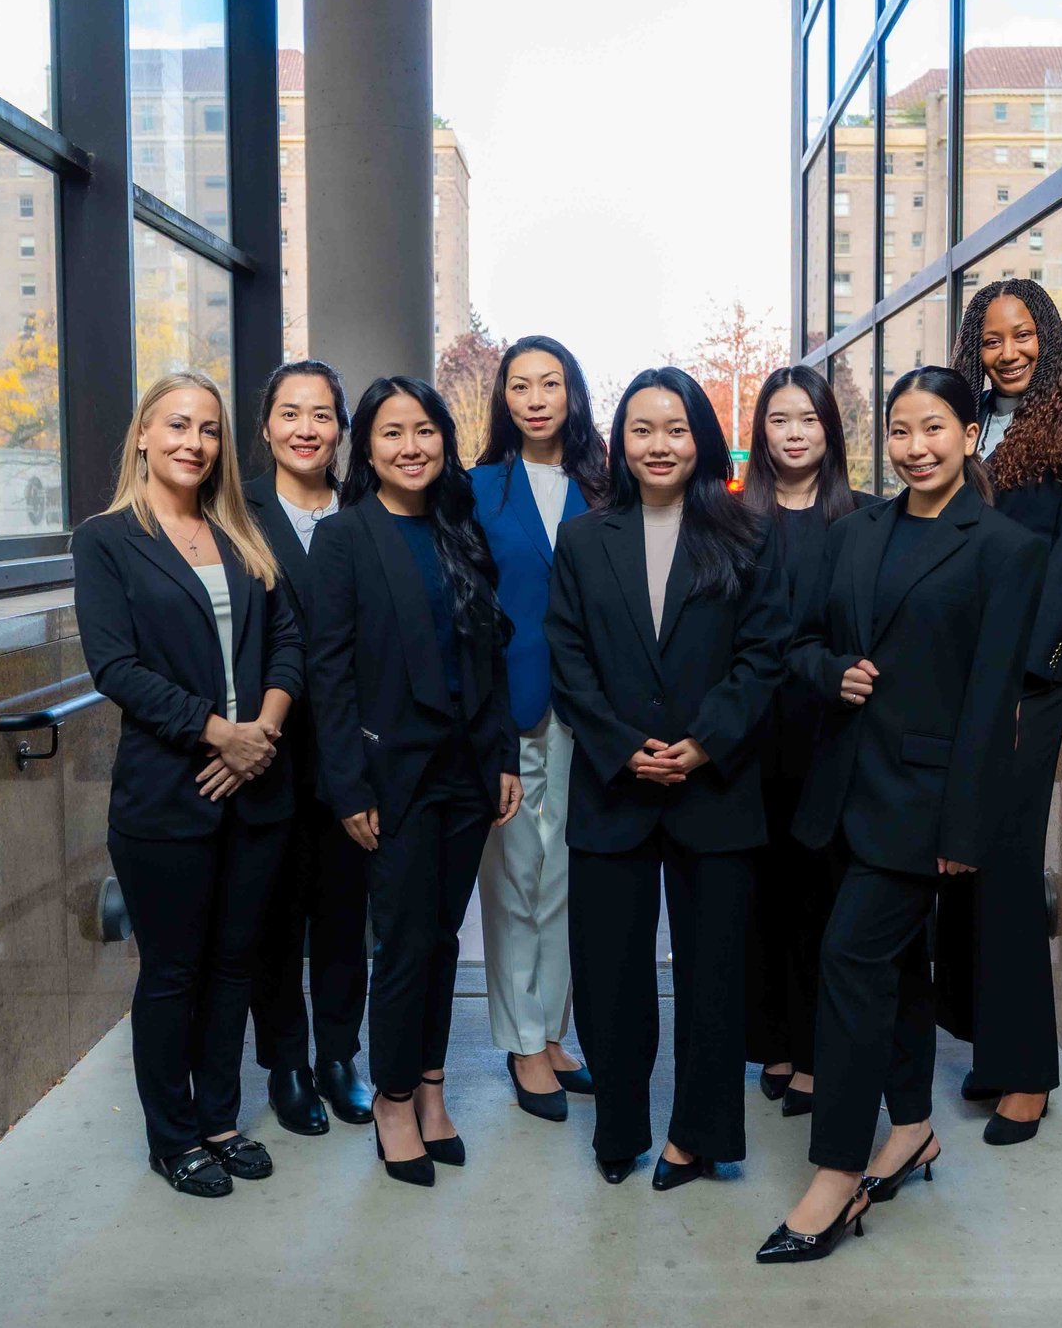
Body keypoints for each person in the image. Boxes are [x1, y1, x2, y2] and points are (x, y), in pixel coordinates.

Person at [758, 366, 1046, 1264]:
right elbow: (800, 643)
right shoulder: (857, 530)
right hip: (843, 788)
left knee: (849, 959)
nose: (915, 447)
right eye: (900, 430)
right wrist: (830, 673)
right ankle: (914, 1128)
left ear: (969, 435)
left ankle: (837, 1173)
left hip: (925, 805)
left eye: (934, 429)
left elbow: (994, 702)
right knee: (894, 970)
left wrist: (965, 831)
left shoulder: (1004, 548)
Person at [544, 366, 786, 1187]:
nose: (659, 445)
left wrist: (705, 742)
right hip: (612, 785)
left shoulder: (746, 535)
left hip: (713, 785)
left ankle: (699, 1137)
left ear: (701, 440)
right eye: (642, 429)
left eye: (676, 429)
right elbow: (567, 658)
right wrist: (621, 746)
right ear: (620, 442)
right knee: (610, 974)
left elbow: (764, 655)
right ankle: (620, 1130)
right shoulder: (583, 539)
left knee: (713, 973)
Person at [73, 371, 303, 1199]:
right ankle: (172, 1138)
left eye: (208, 429)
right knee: (174, 972)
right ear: (143, 434)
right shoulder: (106, 540)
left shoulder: (240, 532)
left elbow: (288, 641)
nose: (193, 443)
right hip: (169, 794)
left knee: (235, 965)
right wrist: (219, 734)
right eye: (176, 425)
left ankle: (219, 1121)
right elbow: (116, 668)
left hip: (256, 788)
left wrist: (262, 734)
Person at [306, 376, 523, 1187]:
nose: (411, 446)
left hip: (467, 769)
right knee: (400, 943)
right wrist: (348, 786)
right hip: (390, 776)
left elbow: (489, 652)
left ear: (444, 440)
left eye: (425, 430)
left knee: (441, 936)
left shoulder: (459, 527)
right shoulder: (344, 538)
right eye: (392, 432)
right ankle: (393, 1100)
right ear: (366, 447)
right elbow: (329, 674)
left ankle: (432, 1086)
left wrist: (503, 755)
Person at [938, 277, 1062, 1145]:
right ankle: (991, 1043)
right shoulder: (968, 421)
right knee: (964, 856)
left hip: (1028, 674)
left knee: (1009, 860)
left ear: (1047, 334)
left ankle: (1027, 1073)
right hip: (956, 666)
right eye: (991, 338)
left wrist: (1010, 683)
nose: (1007, 351)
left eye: (1022, 334)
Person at [467, 335, 605, 1118]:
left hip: (592, 710)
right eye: (520, 386)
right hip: (510, 708)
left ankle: (553, 1032)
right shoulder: (477, 488)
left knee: (567, 878)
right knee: (516, 877)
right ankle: (522, 1041)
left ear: (572, 393)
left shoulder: (607, 484)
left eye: (550, 383)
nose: (536, 399)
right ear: (504, 399)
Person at [739, 365, 876, 1117]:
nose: (794, 434)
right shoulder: (732, 520)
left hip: (835, 734)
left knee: (826, 897)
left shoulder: (865, 518)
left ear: (831, 429)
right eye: (779, 419)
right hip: (753, 739)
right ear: (761, 431)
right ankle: (776, 1042)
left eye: (809, 419)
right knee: (766, 896)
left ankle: (820, 1053)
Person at [243, 359, 375, 1135]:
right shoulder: (236, 510)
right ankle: (286, 1064)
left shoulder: (365, 507)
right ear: (266, 427)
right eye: (290, 413)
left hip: (351, 750)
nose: (306, 429)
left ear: (341, 430)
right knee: (275, 917)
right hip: (269, 749)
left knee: (344, 915)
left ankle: (338, 1057)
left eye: (322, 415)